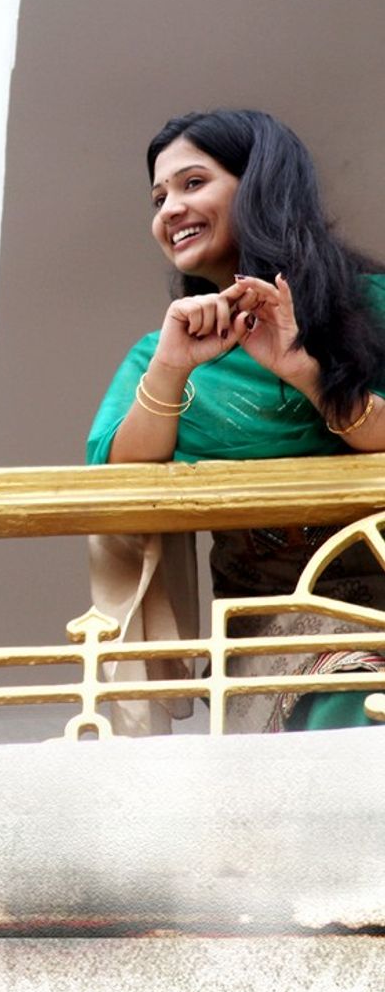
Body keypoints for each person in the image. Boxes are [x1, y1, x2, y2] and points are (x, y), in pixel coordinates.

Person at [87, 108, 385, 732]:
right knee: (349, 707)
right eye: (159, 198)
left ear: (262, 183)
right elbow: (117, 482)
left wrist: (305, 372)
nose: (169, 210)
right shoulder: (163, 358)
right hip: (281, 633)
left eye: (193, 183)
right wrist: (172, 367)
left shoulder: (372, 309)